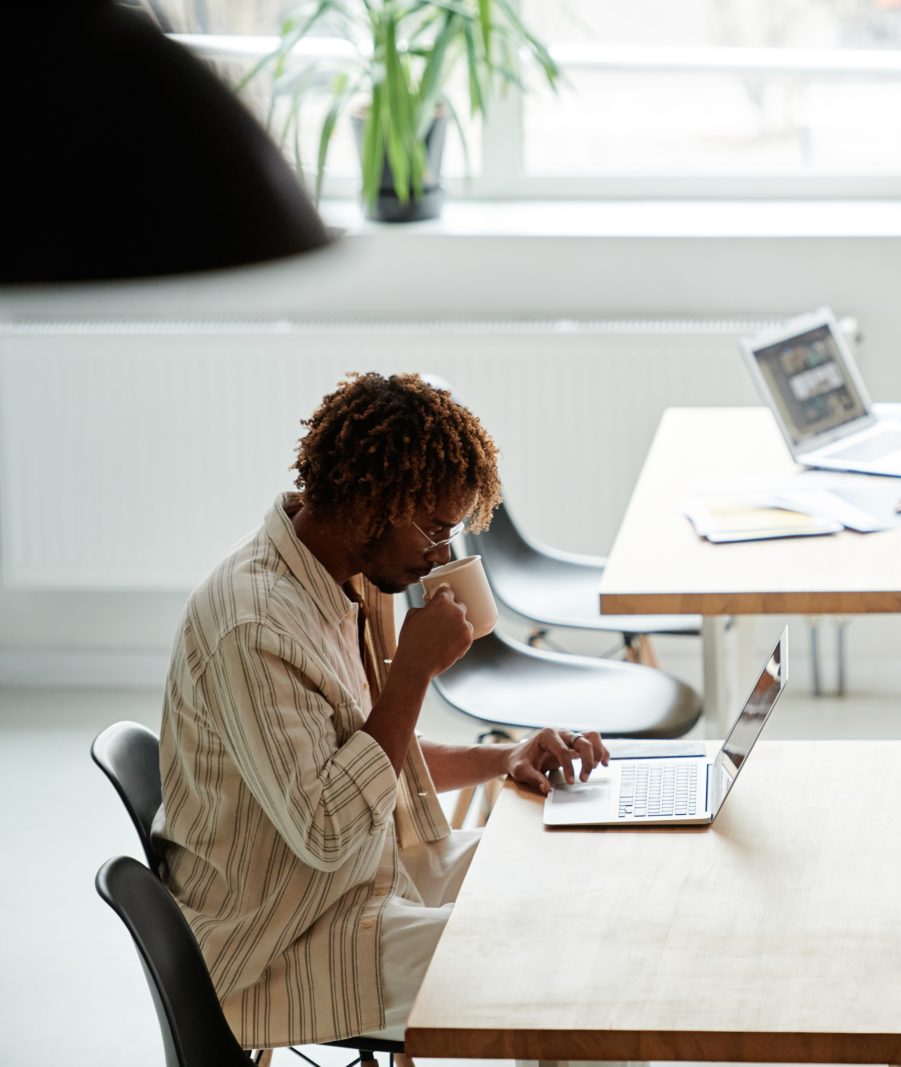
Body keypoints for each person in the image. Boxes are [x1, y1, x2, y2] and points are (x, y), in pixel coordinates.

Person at [153, 372, 609, 1050]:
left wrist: (502, 758)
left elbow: (364, 753)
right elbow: (328, 826)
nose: (442, 554)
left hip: (369, 877)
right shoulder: (253, 627)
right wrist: (413, 673)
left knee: (576, 876)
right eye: (435, 528)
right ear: (372, 500)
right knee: (562, 968)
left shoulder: (344, 581)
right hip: (284, 941)